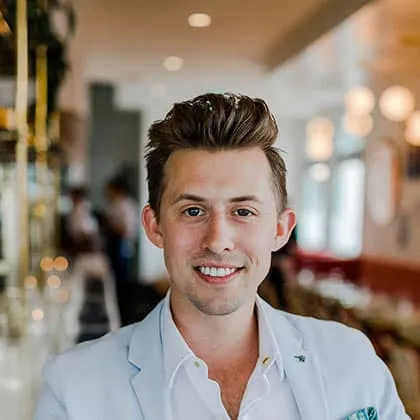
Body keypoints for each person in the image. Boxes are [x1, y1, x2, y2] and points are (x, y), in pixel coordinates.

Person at [34, 93, 408, 420]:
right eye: (193, 211)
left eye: (243, 211)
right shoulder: (74, 388)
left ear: (281, 229)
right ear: (155, 226)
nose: (218, 241)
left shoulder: (350, 358)